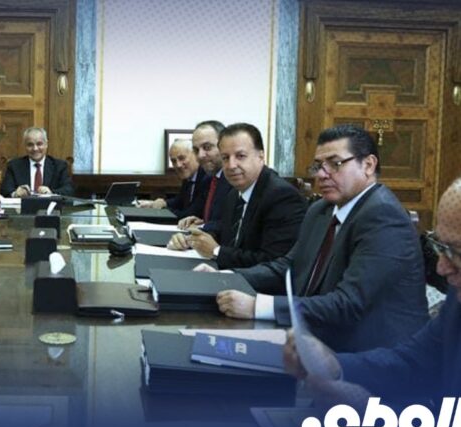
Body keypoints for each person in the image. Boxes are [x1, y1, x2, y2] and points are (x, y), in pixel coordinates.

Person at [209, 124, 427, 352]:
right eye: (318, 166)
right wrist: (225, 277)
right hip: (314, 335)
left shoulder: (384, 216)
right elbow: (288, 267)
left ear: (368, 165)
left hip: (369, 354)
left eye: (335, 164)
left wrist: (259, 306)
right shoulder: (322, 210)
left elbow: (348, 304)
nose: (322, 174)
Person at [285, 177, 461, 403]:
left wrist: (372, 413)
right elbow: (413, 362)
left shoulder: (381, 215)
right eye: (440, 247)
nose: (441, 267)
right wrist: (335, 365)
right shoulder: (456, 300)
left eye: (455, 251)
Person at [169, 123, 306, 269]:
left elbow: (273, 263)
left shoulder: (281, 196)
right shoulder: (235, 193)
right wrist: (192, 239)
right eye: (225, 158)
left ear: (261, 156)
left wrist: (217, 251)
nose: (231, 165)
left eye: (240, 156)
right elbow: (224, 230)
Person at [176, 120, 232, 231]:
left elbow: (234, 225)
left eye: (207, 147)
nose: (200, 155)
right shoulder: (208, 180)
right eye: (196, 150)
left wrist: (204, 226)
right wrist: (201, 221)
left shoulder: (235, 179)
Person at [136, 138, 203, 218]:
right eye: (174, 161)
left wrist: (161, 210)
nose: (178, 165)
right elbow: (180, 200)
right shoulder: (189, 176)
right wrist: (163, 203)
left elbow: (190, 214)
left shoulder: (205, 177)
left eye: (182, 158)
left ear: (195, 155)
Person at [0, 127, 74, 197]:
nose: (35, 149)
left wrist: (51, 192)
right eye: (30, 145)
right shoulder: (14, 166)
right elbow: (4, 191)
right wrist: (15, 193)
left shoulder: (59, 166)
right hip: (24, 206)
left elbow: (69, 190)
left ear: (46, 144)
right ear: (25, 146)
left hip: (51, 206)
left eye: (39, 144)